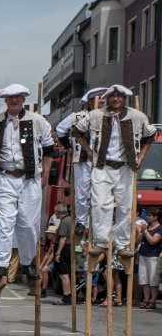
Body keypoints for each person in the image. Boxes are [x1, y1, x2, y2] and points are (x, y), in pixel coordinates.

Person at [0, 84, 57, 282]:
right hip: (4, 177)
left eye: (18, 97)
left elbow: (48, 149)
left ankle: (28, 262)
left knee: (29, 224)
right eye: (10, 97)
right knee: (3, 223)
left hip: (30, 178)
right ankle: (2, 264)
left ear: (23, 99)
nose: (14, 100)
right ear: (5, 100)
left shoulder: (38, 121)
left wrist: (45, 174)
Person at [74, 84, 157, 261]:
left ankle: (122, 244)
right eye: (113, 96)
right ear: (107, 98)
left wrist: (141, 157)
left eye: (119, 96)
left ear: (124, 98)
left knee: (125, 206)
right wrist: (88, 151)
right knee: (99, 204)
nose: (116, 99)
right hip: (101, 166)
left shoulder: (137, 116)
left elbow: (151, 135)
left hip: (126, 167)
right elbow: (77, 131)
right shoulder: (96, 115)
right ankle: (101, 242)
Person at [56, 87, 107, 238]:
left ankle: (101, 220)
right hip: (83, 158)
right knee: (81, 191)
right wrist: (68, 147)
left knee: (102, 190)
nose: (100, 101)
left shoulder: (110, 116)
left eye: (102, 99)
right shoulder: (77, 117)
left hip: (105, 159)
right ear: (88, 102)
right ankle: (82, 221)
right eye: (96, 99)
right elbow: (60, 130)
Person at [137, 208, 161, 309]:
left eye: (150, 215)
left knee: (153, 281)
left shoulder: (159, 228)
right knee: (144, 280)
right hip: (143, 255)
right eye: (147, 215)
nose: (147, 217)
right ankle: (146, 299)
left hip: (154, 256)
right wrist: (142, 232)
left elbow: (153, 241)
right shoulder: (146, 228)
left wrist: (146, 231)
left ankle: (153, 300)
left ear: (155, 217)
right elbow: (136, 242)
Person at [53, 204, 74, 305]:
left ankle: (66, 296)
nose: (54, 213)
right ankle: (67, 295)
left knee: (63, 274)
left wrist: (58, 253)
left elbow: (63, 238)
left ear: (59, 212)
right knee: (65, 274)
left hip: (64, 249)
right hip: (69, 249)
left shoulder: (65, 222)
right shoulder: (70, 219)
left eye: (55, 211)